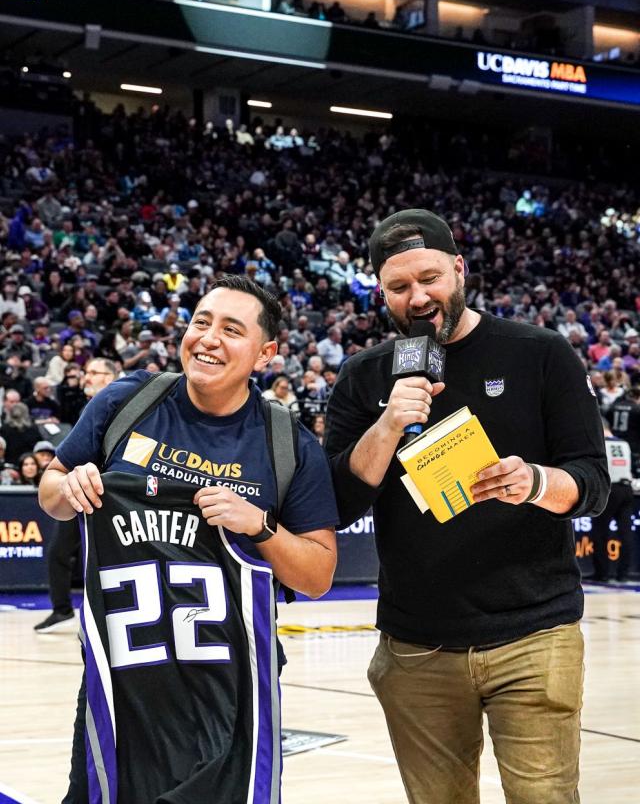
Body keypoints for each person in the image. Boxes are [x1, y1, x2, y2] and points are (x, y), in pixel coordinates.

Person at [324, 208, 609, 804]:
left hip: (534, 632)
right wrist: (388, 425)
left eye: (430, 277)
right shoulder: (363, 376)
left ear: (459, 267)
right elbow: (339, 503)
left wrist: (533, 481)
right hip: (416, 646)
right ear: (381, 291)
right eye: (400, 287)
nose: (419, 297)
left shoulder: (540, 354)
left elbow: (592, 482)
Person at [38, 275, 338, 802]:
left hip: (230, 691)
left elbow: (317, 576)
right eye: (201, 322)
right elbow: (51, 491)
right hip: (123, 681)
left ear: (265, 352)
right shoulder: (127, 401)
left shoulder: (287, 441)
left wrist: (260, 526)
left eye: (230, 329)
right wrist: (72, 486)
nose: (208, 338)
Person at [34, 358, 118, 634]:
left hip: (112, 497)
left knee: (103, 559)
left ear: (112, 376)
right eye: (87, 371)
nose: (87, 377)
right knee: (59, 551)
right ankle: (61, 609)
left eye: (94, 372)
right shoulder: (89, 407)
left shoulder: (127, 405)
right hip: (81, 491)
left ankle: (106, 614)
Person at [586, 418, 635, 583]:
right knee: (626, 533)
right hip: (627, 489)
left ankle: (603, 573)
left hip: (610, 489)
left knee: (599, 532)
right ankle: (624, 574)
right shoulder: (624, 443)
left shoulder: (601, 444)